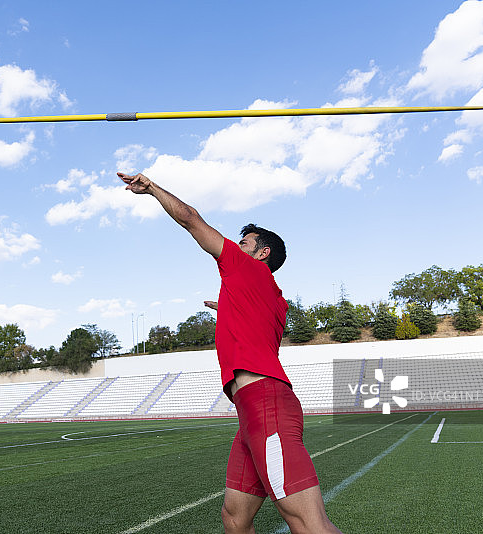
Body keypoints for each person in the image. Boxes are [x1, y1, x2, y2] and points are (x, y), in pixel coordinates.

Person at [119, 172, 341, 534]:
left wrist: (153, 188)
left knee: (308, 523)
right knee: (235, 519)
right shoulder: (274, 297)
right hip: (250, 412)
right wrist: (228, 309)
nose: (237, 246)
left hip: (266, 404)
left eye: (245, 242)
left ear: (262, 253)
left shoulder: (245, 268)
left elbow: (191, 218)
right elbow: (255, 323)